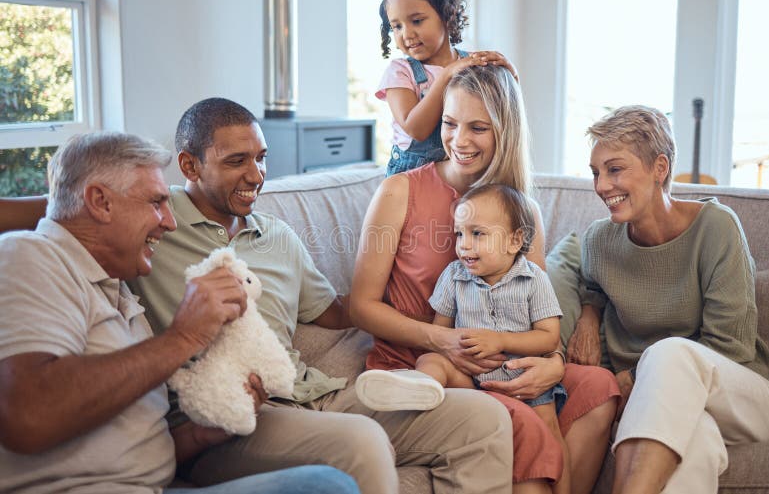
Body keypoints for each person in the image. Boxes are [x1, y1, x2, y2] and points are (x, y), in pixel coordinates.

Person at [128, 97, 516, 494]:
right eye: (236, 161)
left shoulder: (277, 234)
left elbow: (334, 311)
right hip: (229, 421)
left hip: (312, 395)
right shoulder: (156, 226)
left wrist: (416, 288)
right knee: (361, 441)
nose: (256, 175)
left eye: (261, 158)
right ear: (189, 165)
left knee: (483, 419)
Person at [0, 132, 359, 494]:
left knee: (326, 484)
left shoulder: (118, 291)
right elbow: (28, 416)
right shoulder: (29, 256)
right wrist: (185, 336)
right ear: (100, 202)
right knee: (325, 487)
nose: (170, 222)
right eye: (156, 202)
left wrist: (202, 434)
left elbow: (137, 439)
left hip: (159, 484)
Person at [350, 65, 620, 494]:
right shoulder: (400, 192)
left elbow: (538, 311)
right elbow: (360, 306)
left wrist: (550, 366)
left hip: (502, 359)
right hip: (422, 365)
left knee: (601, 387)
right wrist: (443, 342)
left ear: (504, 132)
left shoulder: (522, 212)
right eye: (450, 123)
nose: (459, 140)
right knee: (526, 424)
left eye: (478, 127)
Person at [566, 105, 769, 494]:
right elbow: (593, 287)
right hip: (664, 410)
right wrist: (588, 313)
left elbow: (731, 348)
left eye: (615, 169)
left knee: (668, 353)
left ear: (660, 168)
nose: (601, 186)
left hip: (746, 401)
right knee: (696, 445)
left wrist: (635, 377)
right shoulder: (598, 242)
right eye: (595, 173)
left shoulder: (716, 228)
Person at [357, 183, 571, 494]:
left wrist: (501, 341)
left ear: (515, 241)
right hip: (472, 377)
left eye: (477, 234)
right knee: (430, 359)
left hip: (523, 377)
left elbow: (549, 338)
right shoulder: (454, 276)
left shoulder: (533, 279)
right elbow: (441, 333)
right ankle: (416, 389)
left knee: (549, 432)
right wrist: (450, 349)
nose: (464, 246)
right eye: (460, 234)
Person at [377, 0, 518, 176]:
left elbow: (503, 115)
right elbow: (416, 130)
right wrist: (447, 75)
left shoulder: (470, 64)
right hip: (413, 175)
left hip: (462, 170)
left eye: (416, 21)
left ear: (446, 14)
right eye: (396, 26)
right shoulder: (400, 72)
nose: (406, 34)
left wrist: (510, 75)